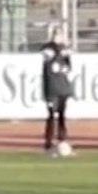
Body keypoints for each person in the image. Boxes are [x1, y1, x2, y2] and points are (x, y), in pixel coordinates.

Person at [40, 24, 73, 154]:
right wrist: (60, 50)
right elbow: (47, 55)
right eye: (55, 34)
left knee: (62, 115)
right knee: (51, 115)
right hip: (51, 86)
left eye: (59, 34)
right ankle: (48, 142)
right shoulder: (47, 49)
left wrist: (66, 49)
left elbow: (69, 66)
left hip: (63, 86)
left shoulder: (66, 50)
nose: (57, 36)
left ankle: (62, 139)